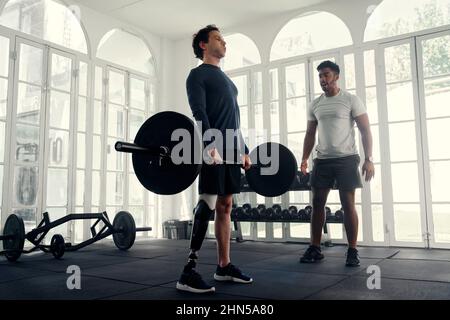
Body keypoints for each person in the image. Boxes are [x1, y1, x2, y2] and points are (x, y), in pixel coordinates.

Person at [176, 25, 253, 293]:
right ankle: (188, 271)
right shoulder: (197, 75)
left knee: (226, 206)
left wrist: (244, 149)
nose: (224, 43)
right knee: (208, 202)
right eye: (218, 39)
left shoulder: (228, 81)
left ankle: (223, 266)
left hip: (231, 149)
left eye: (224, 39)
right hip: (214, 148)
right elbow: (199, 112)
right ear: (203, 46)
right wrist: (209, 144)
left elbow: (235, 120)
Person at [299, 60, 375, 267]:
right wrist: (305, 158)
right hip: (322, 159)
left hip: (346, 159)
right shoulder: (315, 104)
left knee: (347, 204)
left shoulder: (350, 100)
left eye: (326, 75)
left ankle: (352, 250)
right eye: (320, 77)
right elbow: (309, 133)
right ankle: (315, 248)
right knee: (317, 204)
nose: (322, 80)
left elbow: (365, 130)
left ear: (336, 76)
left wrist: (368, 159)